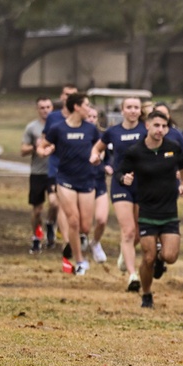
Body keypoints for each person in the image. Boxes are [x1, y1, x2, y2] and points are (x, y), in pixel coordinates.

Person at [115, 110, 183, 308]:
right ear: (147, 125)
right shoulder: (136, 151)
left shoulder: (173, 148)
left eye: (164, 126)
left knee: (170, 256)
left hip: (169, 212)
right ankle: (146, 294)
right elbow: (119, 171)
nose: (160, 130)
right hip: (147, 211)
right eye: (156, 125)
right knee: (147, 258)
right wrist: (125, 178)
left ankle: (160, 259)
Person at [41, 93, 100, 275]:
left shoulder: (91, 129)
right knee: (72, 221)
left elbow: (100, 149)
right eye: (87, 105)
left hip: (86, 179)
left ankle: (77, 243)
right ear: (77, 107)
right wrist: (45, 150)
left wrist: (97, 157)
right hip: (65, 180)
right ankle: (80, 260)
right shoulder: (58, 129)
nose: (89, 109)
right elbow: (42, 145)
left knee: (85, 226)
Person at [93, 97, 147, 291]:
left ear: (140, 111)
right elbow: (97, 148)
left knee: (139, 233)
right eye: (129, 107)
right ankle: (132, 275)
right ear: (122, 110)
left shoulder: (146, 130)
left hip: (143, 185)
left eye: (136, 107)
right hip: (120, 184)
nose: (132, 110)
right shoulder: (113, 132)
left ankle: (126, 253)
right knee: (128, 231)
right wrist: (95, 156)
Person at [39, 84, 79, 249]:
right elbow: (44, 140)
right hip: (56, 167)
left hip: (76, 169)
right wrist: (47, 148)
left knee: (72, 207)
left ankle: (72, 238)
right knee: (56, 203)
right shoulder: (53, 118)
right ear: (61, 97)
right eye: (66, 94)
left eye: (72, 95)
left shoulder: (81, 117)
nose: (68, 97)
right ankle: (55, 229)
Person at [21, 96, 55, 254]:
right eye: (42, 107)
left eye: (48, 107)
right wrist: (35, 147)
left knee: (55, 204)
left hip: (54, 173)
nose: (45, 110)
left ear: (52, 108)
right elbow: (22, 150)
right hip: (37, 172)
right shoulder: (32, 128)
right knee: (37, 210)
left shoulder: (58, 126)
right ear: (37, 109)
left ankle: (50, 225)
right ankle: (36, 237)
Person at [84, 106, 109, 264]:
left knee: (101, 220)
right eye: (89, 116)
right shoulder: (78, 136)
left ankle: (95, 243)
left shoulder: (103, 136)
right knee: (84, 224)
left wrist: (108, 166)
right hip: (81, 182)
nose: (91, 119)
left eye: (94, 116)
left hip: (99, 181)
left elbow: (110, 156)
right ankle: (81, 255)